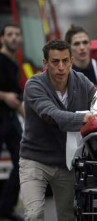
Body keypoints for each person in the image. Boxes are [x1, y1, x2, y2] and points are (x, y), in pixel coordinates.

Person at [19, 39, 97, 221]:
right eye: (55, 62)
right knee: (34, 214)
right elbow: (51, 114)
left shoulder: (81, 81)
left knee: (68, 216)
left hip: (66, 162)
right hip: (35, 160)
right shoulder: (34, 85)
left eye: (65, 61)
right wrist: (84, 118)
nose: (61, 67)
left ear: (71, 61)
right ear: (45, 63)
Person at [0, 23, 24, 221]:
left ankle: (6, 208)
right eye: (10, 34)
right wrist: (4, 95)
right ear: (2, 38)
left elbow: (17, 99)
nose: (14, 37)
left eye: (17, 34)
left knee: (22, 162)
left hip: (10, 119)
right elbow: (9, 95)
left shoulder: (14, 62)